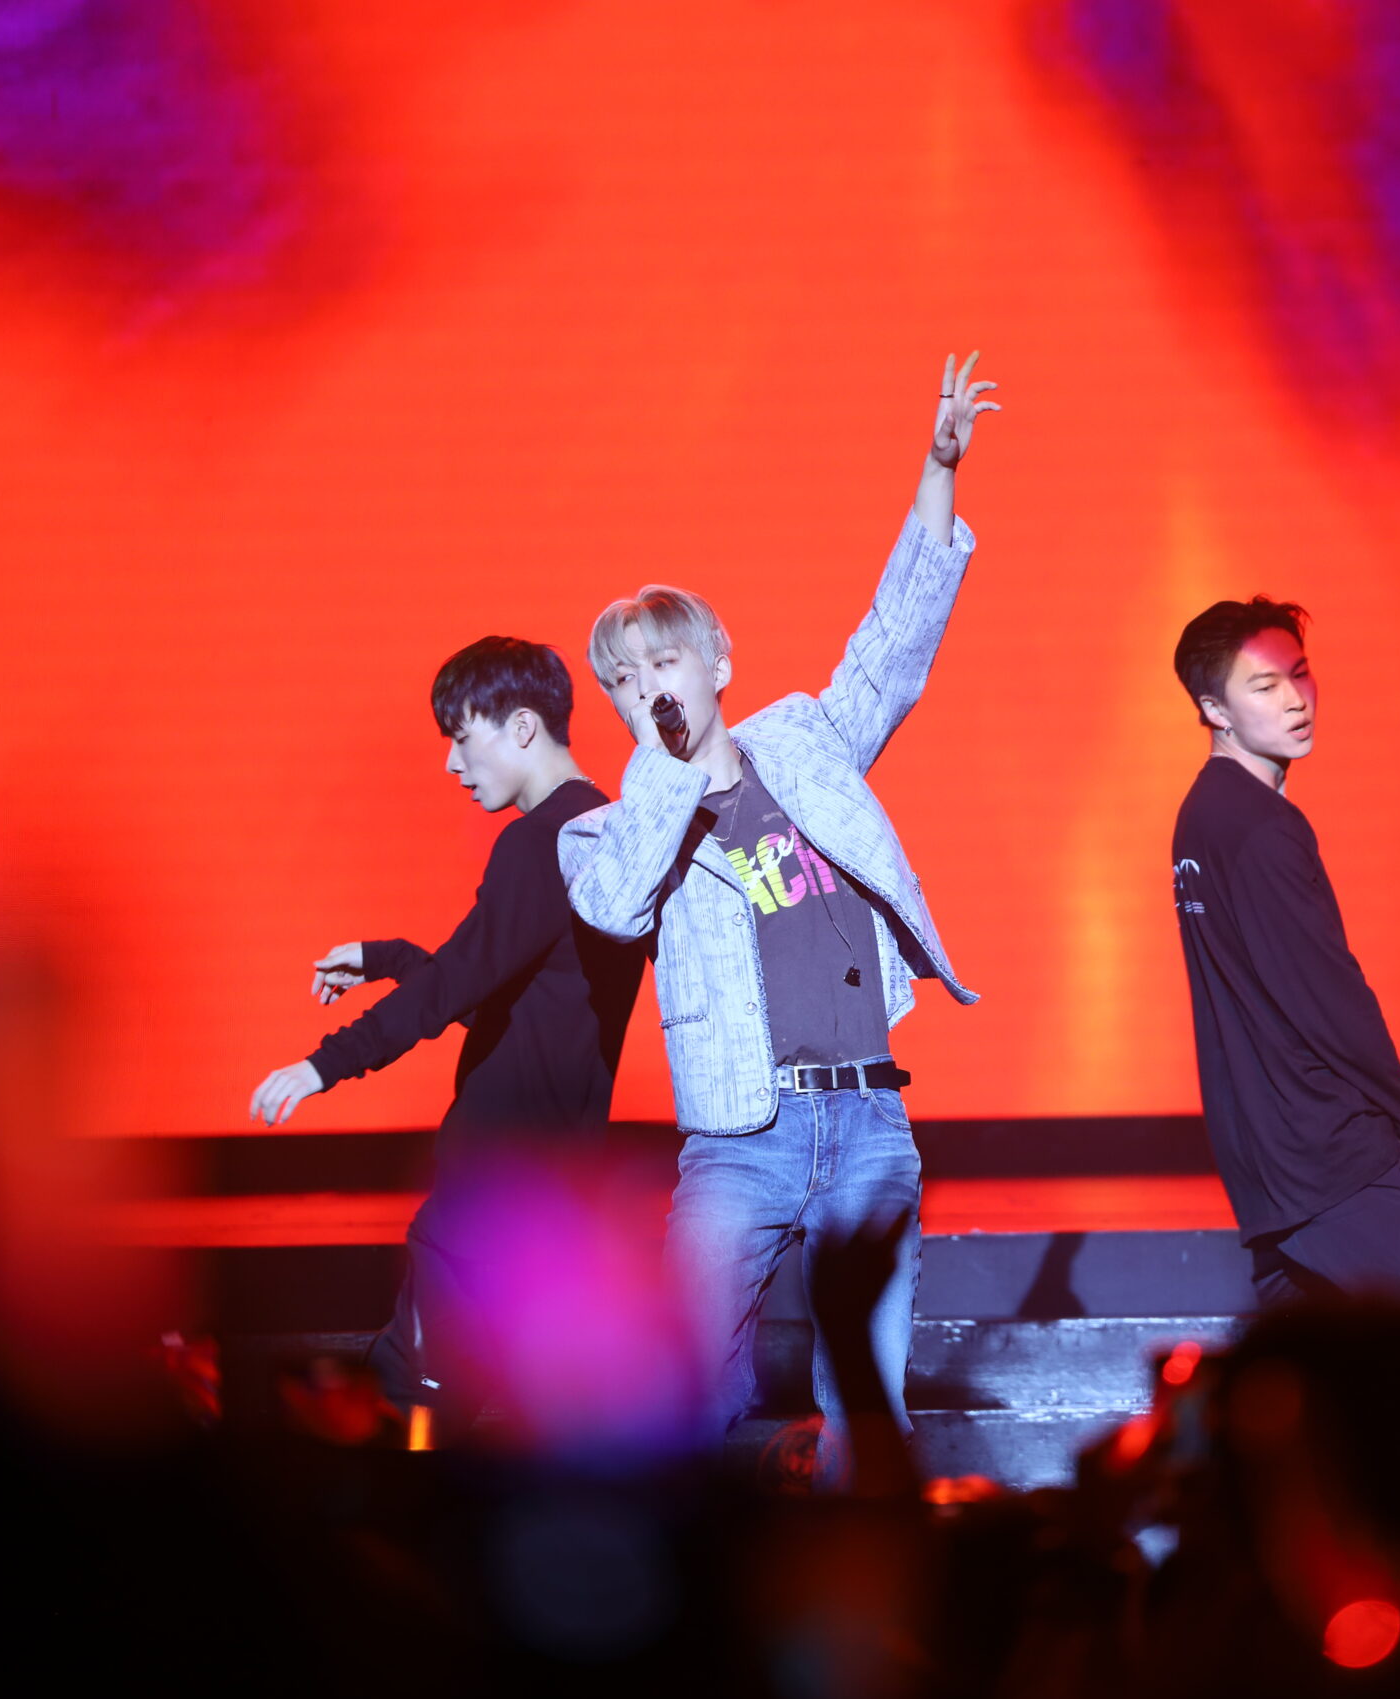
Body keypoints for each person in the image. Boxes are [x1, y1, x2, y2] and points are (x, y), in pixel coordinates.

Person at [556, 351, 1002, 1485]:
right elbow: (614, 909)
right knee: (686, 1398)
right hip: (737, 1145)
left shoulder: (802, 739)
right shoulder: (605, 829)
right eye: (625, 681)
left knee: (868, 1409)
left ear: (719, 662)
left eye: (666, 661)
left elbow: (890, 652)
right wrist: (664, 771)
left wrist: (937, 472)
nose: (651, 688)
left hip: (868, 1120)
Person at [248, 636, 646, 1413]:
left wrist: (324, 1063)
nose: (451, 764)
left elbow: (454, 988)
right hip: (554, 1191)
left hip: (493, 1192)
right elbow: (506, 997)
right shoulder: (602, 830)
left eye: (463, 737)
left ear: (523, 726)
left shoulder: (538, 842)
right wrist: (391, 957)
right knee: (504, 1406)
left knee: (413, 1399)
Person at [1168, 596, 1400, 1312]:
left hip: (1270, 1168)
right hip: (1335, 1156)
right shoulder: (1260, 826)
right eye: (1265, 685)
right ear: (1215, 709)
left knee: (1327, 1374)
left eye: (1300, 673)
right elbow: (1324, 992)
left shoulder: (1203, 814)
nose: (1296, 699)